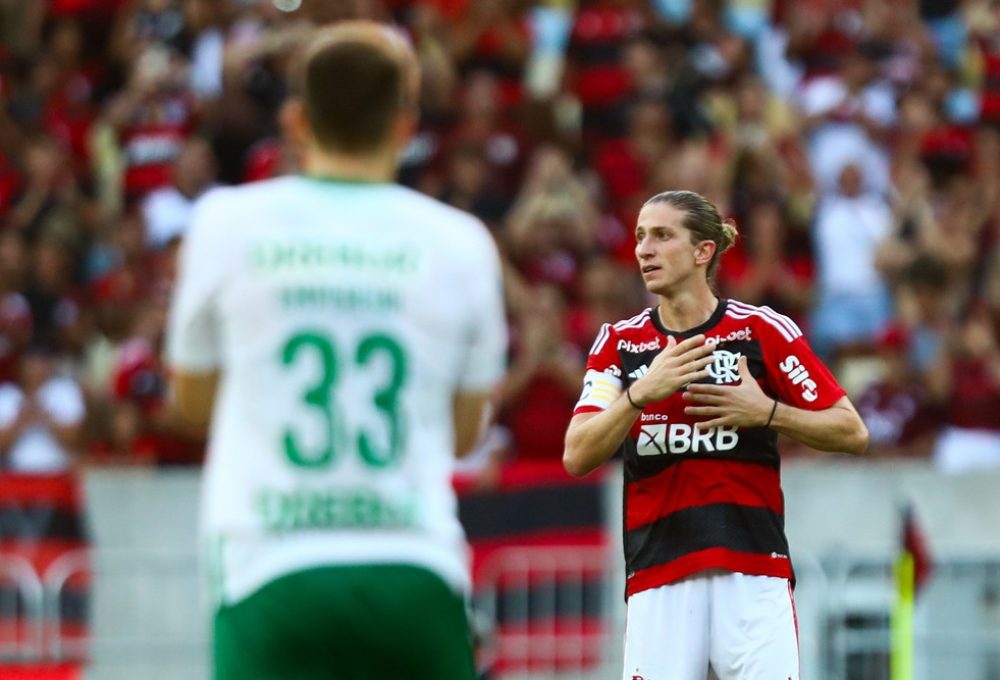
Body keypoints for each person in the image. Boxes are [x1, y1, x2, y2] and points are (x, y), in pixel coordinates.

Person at [165, 22, 506, 680]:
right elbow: (465, 435)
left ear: (295, 121)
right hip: (414, 566)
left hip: (270, 567)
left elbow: (190, 402)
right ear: (405, 127)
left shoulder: (226, 223)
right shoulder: (461, 242)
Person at [563, 190, 868, 680]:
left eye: (662, 236)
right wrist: (641, 394)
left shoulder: (762, 330)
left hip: (752, 571)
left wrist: (767, 412)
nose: (644, 249)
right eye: (641, 237)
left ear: (703, 251)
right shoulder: (620, 344)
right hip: (659, 576)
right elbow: (577, 454)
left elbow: (851, 430)